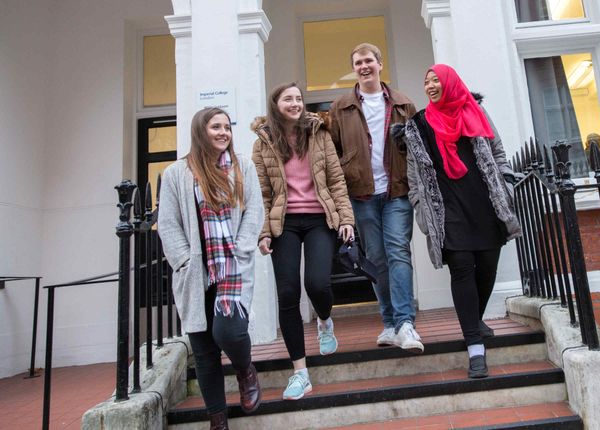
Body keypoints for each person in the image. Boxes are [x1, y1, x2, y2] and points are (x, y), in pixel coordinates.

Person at [396, 64, 521, 378]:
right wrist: (421, 209)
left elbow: (497, 151)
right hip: (447, 210)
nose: (431, 85)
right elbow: (413, 176)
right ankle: (475, 347)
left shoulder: (474, 110)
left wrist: (505, 184)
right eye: (426, 81)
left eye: (436, 79)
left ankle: (474, 318)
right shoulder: (419, 125)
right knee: (462, 267)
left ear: (450, 82)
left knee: (488, 265)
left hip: (484, 203)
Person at [158, 107, 264, 430]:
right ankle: (218, 420)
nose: (223, 132)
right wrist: (185, 262)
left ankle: (245, 369)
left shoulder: (243, 166)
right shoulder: (177, 173)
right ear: (200, 132)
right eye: (215, 127)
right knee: (204, 351)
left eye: (227, 127)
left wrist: (242, 249)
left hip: (232, 268)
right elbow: (168, 225)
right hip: (195, 274)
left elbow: (254, 211)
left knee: (227, 331)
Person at [252, 82, 355, 400]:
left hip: (319, 220)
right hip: (284, 223)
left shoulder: (319, 133)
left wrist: (346, 219)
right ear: (276, 103)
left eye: (299, 98)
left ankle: (325, 320)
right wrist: (263, 231)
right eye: (288, 99)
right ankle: (300, 373)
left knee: (318, 284)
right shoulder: (264, 143)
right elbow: (262, 192)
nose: (295, 103)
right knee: (287, 293)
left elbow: (336, 179)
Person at [328, 43, 423, 353]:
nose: (364, 66)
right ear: (354, 69)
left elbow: (419, 150)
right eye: (358, 62)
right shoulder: (340, 107)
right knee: (377, 259)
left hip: (397, 191)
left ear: (380, 64)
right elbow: (332, 152)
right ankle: (389, 323)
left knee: (398, 252)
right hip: (362, 195)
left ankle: (405, 323)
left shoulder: (403, 103)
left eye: (369, 60)